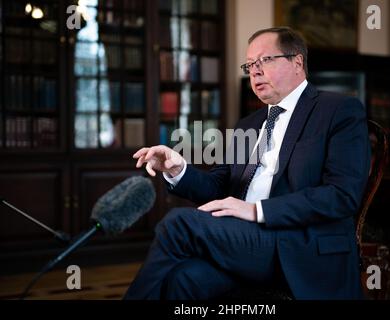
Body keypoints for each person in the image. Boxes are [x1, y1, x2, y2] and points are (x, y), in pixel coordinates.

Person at [124, 26, 371, 300]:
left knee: (178, 223)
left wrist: (256, 210)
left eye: (264, 60)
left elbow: (342, 195)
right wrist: (177, 169)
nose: (254, 71)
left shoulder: (338, 110)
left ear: (297, 62)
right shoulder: (249, 124)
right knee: (184, 279)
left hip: (299, 244)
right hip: (245, 241)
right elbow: (219, 187)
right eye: (250, 64)